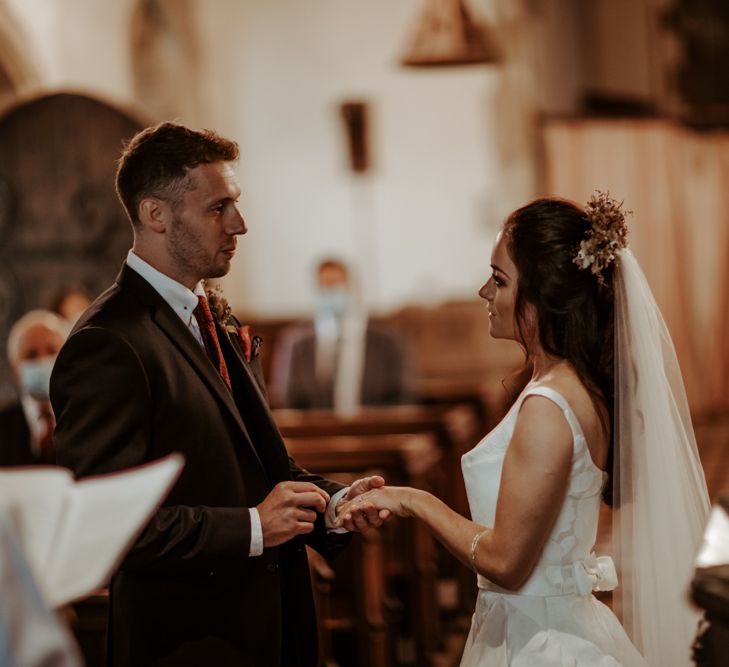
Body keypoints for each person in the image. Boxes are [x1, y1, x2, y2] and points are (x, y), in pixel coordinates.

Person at [49, 122, 386, 667]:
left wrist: (333, 504)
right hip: (190, 642)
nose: (240, 224)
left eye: (237, 204)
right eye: (218, 207)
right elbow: (104, 525)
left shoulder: (210, 317)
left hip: (268, 628)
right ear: (156, 214)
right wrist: (254, 526)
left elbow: (257, 463)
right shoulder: (108, 342)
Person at [338, 194, 711, 666]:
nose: (484, 293)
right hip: (540, 622)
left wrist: (414, 499)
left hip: (542, 641)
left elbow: (506, 564)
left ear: (543, 296)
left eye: (499, 280)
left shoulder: (549, 405)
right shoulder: (569, 383)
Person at [271, 258, 414, 412]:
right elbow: (289, 401)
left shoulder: (389, 342)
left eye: (337, 284)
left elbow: (404, 397)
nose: (331, 291)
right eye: (325, 285)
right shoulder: (297, 345)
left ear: (353, 287)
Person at [0, 310, 69, 466]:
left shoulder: (85, 417)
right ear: (15, 369)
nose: (43, 360)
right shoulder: (3, 426)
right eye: (31, 355)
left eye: (52, 350)